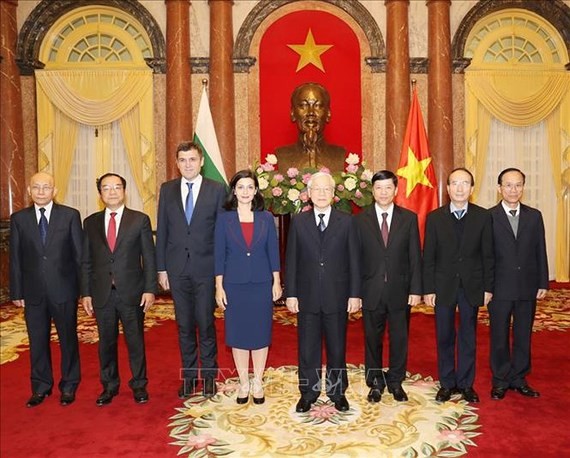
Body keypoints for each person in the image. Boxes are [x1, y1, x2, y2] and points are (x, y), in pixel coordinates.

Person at [285, 172, 361, 413]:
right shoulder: (298, 222)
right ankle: (308, 393)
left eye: (326, 190)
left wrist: (354, 294)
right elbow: (292, 260)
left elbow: (354, 261)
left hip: (337, 296)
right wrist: (291, 293)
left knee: (337, 347)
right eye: (316, 189)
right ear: (308, 194)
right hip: (306, 296)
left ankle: (338, 392)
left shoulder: (347, 221)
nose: (321, 194)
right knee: (307, 349)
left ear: (333, 194)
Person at [156, 141, 226, 399]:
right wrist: (161, 268)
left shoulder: (216, 190)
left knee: (206, 323)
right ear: (177, 163)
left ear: (201, 162)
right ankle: (188, 377)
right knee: (184, 325)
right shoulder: (167, 190)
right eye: (183, 160)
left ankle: (209, 377)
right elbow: (162, 229)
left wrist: (221, 272)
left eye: (192, 159)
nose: (188, 164)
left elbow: (221, 234)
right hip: (176, 269)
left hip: (206, 268)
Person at [81, 173, 157, 406]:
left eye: (116, 187)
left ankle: (139, 384)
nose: (112, 192)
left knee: (135, 341)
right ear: (100, 194)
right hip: (102, 292)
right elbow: (86, 260)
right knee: (106, 342)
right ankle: (109, 386)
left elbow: (149, 257)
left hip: (132, 292)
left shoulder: (139, 220)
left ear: (124, 190)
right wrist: (86, 292)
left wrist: (150, 288)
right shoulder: (91, 222)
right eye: (106, 188)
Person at [9, 172, 82, 407]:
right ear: (29, 191)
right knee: (37, 340)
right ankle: (41, 386)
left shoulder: (70, 216)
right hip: (33, 292)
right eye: (36, 187)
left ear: (55, 190)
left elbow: (79, 255)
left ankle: (69, 385)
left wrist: (84, 290)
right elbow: (16, 259)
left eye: (46, 187)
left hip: (64, 290)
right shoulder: (19, 219)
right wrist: (17, 291)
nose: (41, 191)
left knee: (68, 339)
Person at [423, 167, 494, 404]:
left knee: (467, 336)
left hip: (472, 286)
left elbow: (488, 256)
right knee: (444, 336)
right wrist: (428, 288)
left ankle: (465, 384)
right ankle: (447, 383)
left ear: (472, 189)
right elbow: (429, 256)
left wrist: (487, 288)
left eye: (465, 183)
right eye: (455, 183)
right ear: (448, 188)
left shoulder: (483, 217)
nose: (460, 188)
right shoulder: (434, 217)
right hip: (443, 286)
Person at [214, 170, 282, 404]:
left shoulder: (265, 217)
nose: (245, 191)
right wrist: (219, 287)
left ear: (255, 191)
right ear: (234, 190)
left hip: (261, 283)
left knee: (261, 334)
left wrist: (277, 281)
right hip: (234, 284)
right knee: (239, 334)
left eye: (249, 187)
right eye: (240, 187)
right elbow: (219, 254)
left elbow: (273, 251)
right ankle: (244, 382)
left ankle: (258, 381)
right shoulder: (224, 219)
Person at [355, 170, 422, 403]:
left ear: (395, 190)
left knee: (399, 337)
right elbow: (355, 259)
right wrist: (356, 293)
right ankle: (374, 382)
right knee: (372, 339)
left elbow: (415, 256)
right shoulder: (360, 219)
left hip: (400, 291)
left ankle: (395, 381)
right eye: (378, 188)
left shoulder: (409, 218)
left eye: (388, 188)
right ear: (372, 191)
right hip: (370, 291)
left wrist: (415, 289)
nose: (383, 192)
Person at [488, 168, 548, 400]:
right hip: (499, 288)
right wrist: (487, 287)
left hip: (527, 286)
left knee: (524, 334)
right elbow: (487, 255)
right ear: (499, 188)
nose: (513, 190)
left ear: (524, 187)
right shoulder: (489, 216)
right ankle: (501, 379)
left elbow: (539, 250)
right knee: (499, 334)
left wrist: (543, 281)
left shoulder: (535, 216)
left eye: (518, 185)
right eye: (508, 185)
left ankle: (520, 377)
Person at [275, 82, 346, 172]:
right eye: (303, 105)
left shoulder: (339, 154)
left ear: (328, 113)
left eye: (318, 105)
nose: (311, 112)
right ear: (292, 113)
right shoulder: (282, 155)